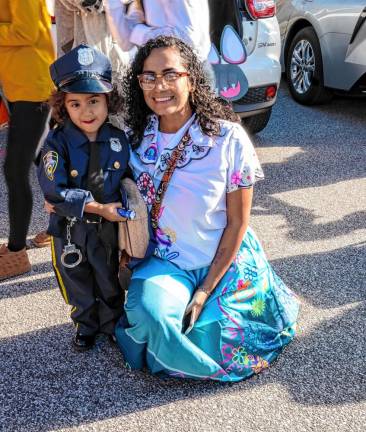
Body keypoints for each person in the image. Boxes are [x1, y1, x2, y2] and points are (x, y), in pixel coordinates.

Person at [115, 36, 299, 381]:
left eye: (171, 74)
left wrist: (204, 290)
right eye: (149, 77)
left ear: (192, 78)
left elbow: (237, 223)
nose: (159, 86)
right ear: (138, 83)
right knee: (151, 316)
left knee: (210, 331)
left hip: (224, 261)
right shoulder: (133, 139)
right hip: (167, 263)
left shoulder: (229, 139)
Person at [37, 45, 129, 351]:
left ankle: (112, 323)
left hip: (106, 230)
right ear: (63, 107)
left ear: (108, 100)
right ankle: (86, 325)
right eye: (75, 104)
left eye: (94, 101)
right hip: (69, 230)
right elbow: (54, 192)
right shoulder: (56, 142)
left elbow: (129, 178)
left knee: (108, 276)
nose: (86, 111)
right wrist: (99, 207)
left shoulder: (118, 140)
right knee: (76, 279)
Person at [0, 0, 55, 280]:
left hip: (33, 88)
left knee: (16, 169)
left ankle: (17, 251)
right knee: (46, 161)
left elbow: (27, 31)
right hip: (21, 86)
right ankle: (60, 229)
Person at [104, 0, 211, 61]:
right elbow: (125, 42)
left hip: (189, 72)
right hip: (159, 69)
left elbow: (186, 40)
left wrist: (140, 32)